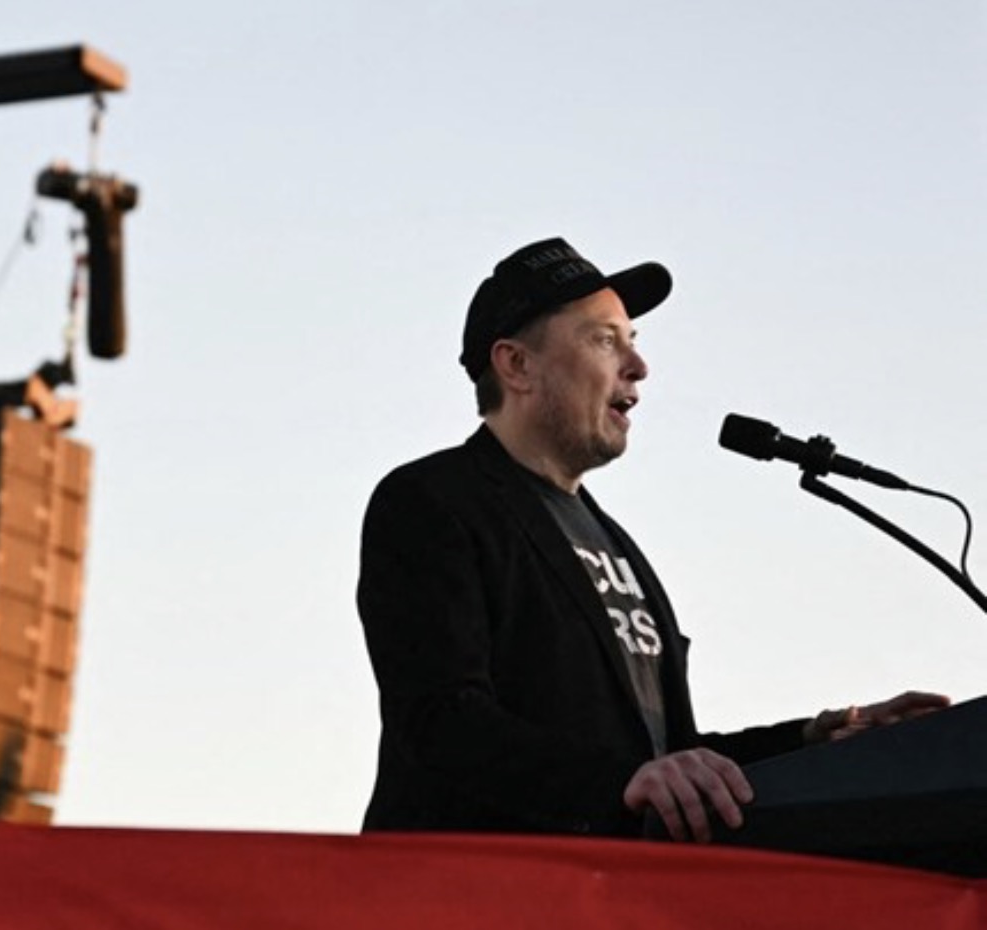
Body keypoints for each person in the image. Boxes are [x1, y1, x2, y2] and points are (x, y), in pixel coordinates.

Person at [355, 236, 947, 844]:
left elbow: (669, 758)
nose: (638, 367)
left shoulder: (614, 543)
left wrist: (820, 740)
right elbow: (441, 722)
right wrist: (615, 785)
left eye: (633, 342)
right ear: (516, 365)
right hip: (470, 895)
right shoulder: (432, 501)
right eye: (605, 339)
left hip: (612, 895)